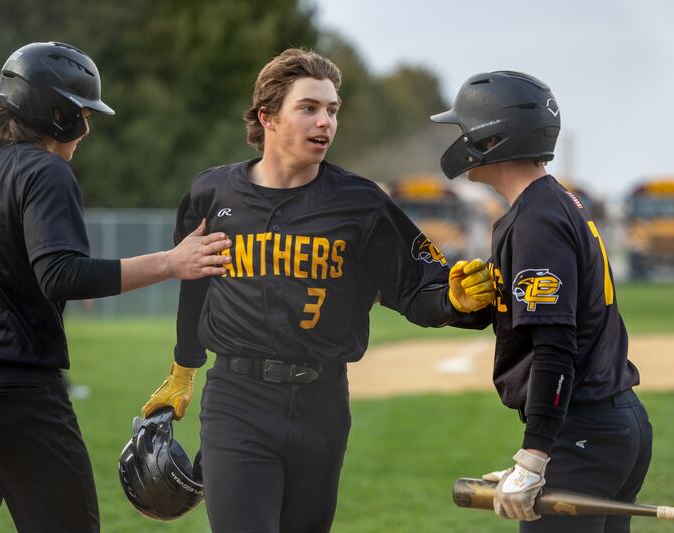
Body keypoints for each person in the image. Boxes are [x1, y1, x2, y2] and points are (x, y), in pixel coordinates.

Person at [140, 48, 495, 532]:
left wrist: (456, 301)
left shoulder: (361, 203)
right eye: (308, 107)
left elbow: (416, 291)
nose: (324, 121)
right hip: (237, 399)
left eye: (332, 110)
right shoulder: (212, 194)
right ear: (267, 116)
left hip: (322, 405)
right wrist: (183, 368)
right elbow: (195, 286)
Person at [0, 41, 231, 533]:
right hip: (16, 393)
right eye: (81, 112)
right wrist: (171, 262)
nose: (86, 128)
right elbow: (62, 275)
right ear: (54, 113)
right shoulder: (44, 169)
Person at [431, 71, 653, 532]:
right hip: (610, 424)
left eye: (464, 128)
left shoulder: (536, 221)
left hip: (585, 431)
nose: (458, 139)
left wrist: (535, 457)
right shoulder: (554, 203)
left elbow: (555, 346)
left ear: (491, 139)